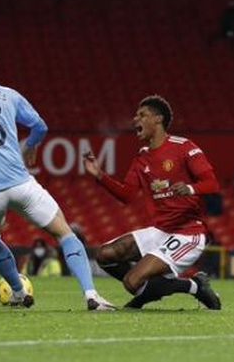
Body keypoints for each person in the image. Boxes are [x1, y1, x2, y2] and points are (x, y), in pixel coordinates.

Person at [0, 41, 113, 311]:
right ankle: (91, 295)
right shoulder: (9, 95)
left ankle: (17, 290)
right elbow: (40, 126)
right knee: (64, 233)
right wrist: (29, 147)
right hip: (22, 185)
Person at [84, 95, 222, 310]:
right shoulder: (142, 158)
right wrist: (100, 175)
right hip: (161, 231)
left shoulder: (183, 146)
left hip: (188, 233)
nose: (134, 119)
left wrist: (190, 188)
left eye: (142, 115)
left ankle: (191, 286)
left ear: (158, 119)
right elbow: (127, 195)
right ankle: (171, 287)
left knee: (132, 281)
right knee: (104, 254)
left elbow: (212, 183)